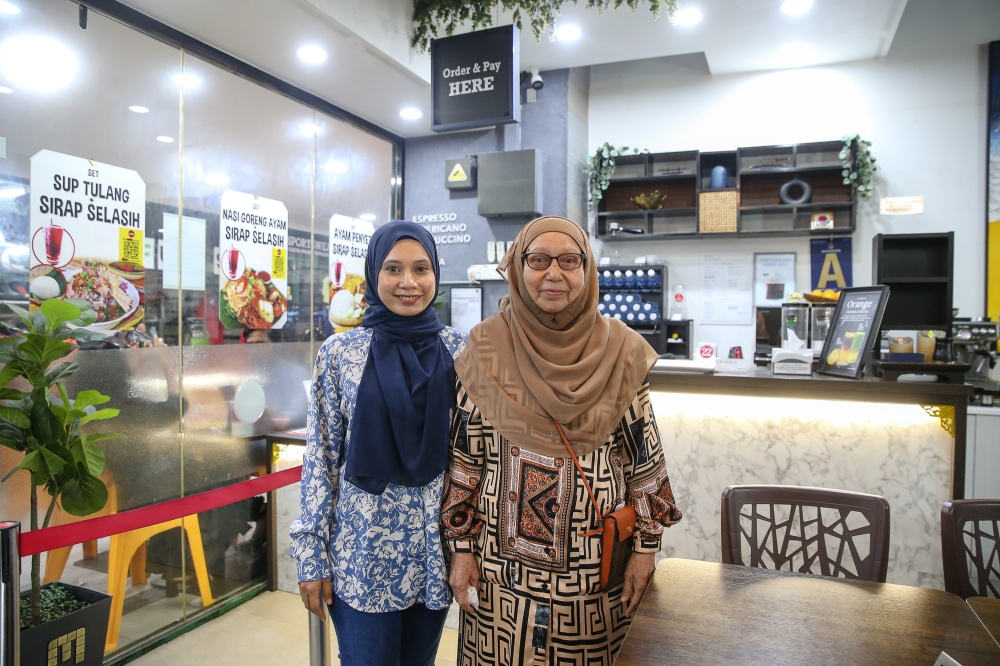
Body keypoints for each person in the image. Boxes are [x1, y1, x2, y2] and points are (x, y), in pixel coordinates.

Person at [442, 216, 683, 665]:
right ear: (517, 267)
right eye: (538, 259)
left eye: (569, 260)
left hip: (593, 579)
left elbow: (645, 463)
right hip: (498, 579)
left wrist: (645, 551)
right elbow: (464, 463)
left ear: (587, 270)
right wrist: (460, 551)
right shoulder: (485, 349)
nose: (554, 273)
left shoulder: (622, 352)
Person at [290, 221, 466, 666]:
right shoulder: (340, 352)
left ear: (436, 276)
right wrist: (311, 553)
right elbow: (321, 459)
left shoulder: (462, 352)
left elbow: (474, 457)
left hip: (433, 553)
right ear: (373, 274)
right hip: (360, 554)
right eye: (393, 268)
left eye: (421, 269)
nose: (408, 282)